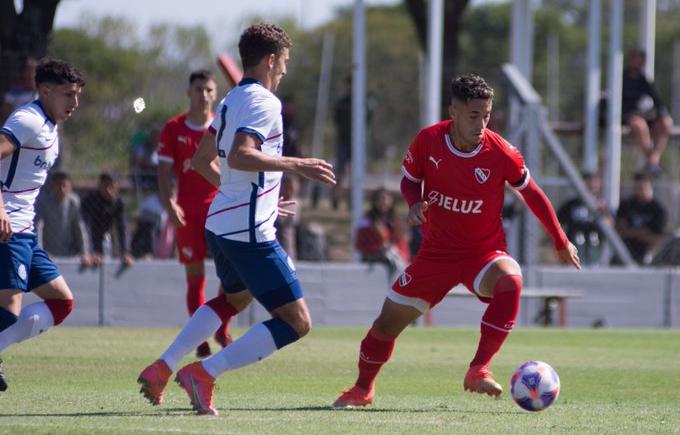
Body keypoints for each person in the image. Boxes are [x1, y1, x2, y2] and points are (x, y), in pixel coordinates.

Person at [332, 74, 580, 408]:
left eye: (487, 115)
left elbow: (532, 194)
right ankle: (363, 389)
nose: (481, 124)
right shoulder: (428, 140)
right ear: (454, 111)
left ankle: (479, 368)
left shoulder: (501, 152)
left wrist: (560, 239)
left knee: (511, 280)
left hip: (483, 253)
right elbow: (409, 180)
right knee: (385, 324)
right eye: (474, 116)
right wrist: (414, 202)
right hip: (435, 256)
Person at [137, 22, 336, 415]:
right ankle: (206, 372)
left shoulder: (230, 99)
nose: (284, 71)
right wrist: (298, 165)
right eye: (284, 63)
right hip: (249, 232)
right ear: (271, 59)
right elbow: (244, 154)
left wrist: (258, 193)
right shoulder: (264, 102)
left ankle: (163, 365)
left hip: (223, 224)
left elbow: (201, 160)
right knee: (296, 322)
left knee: (233, 298)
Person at [0, 57, 84, 391]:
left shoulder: (51, 124)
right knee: (10, 308)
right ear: (45, 91)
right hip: (9, 228)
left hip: (25, 232)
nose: (74, 103)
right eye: (68, 95)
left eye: (77, 95)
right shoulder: (28, 120)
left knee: (62, 302)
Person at [155, 70, 238, 358]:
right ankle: (200, 339)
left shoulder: (223, 127)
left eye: (209, 90)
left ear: (215, 95)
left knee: (231, 276)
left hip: (221, 209)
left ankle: (221, 327)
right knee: (195, 276)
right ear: (189, 92)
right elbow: (164, 173)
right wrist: (170, 204)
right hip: (188, 212)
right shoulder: (173, 128)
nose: (203, 95)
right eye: (199, 89)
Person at [622, 49, 674, 175]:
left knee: (666, 122)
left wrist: (660, 114)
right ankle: (651, 162)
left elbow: (657, 101)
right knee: (640, 125)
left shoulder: (644, 80)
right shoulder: (621, 79)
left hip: (644, 116)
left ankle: (653, 160)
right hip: (627, 116)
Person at [34, 171, 91, 266]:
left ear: (70, 187)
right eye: (58, 185)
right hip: (48, 253)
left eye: (64, 185)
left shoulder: (74, 203)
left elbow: (80, 228)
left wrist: (85, 253)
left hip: (70, 253)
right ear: (53, 186)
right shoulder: (43, 202)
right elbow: (38, 227)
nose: (62, 189)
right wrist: (40, 253)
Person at [557, 172, 611, 266]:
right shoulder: (572, 204)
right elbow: (557, 223)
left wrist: (603, 211)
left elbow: (610, 224)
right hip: (574, 250)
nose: (591, 186)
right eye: (588, 183)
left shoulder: (602, 206)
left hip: (595, 249)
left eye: (594, 183)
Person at [81, 173, 134, 268]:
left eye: (112, 187)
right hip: (90, 237)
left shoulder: (118, 203)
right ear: (99, 186)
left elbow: (122, 228)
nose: (109, 190)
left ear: (117, 188)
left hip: (107, 238)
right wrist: (89, 252)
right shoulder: (89, 201)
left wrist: (125, 252)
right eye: (106, 186)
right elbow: (86, 228)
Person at [355, 187, 409, 278]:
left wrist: (399, 253)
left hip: (394, 259)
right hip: (373, 260)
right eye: (380, 199)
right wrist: (378, 249)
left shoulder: (396, 221)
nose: (383, 202)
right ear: (374, 201)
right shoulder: (367, 221)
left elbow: (401, 243)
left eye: (386, 199)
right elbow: (360, 244)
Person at [615, 172, 667, 265]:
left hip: (648, 254)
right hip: (625, 252)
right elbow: (620, 231)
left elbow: (657, 239)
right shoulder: (626, 205)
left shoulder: (658, 210)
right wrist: (642, 232)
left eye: (642, 188)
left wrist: (631, 232)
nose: (639, 192)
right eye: (636, 188)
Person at [0, 57, 38, 124]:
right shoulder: (14, 91)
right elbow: (5, 112)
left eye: (33, 70)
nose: (30, 74)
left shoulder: (44, 93)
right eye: (28, 70)